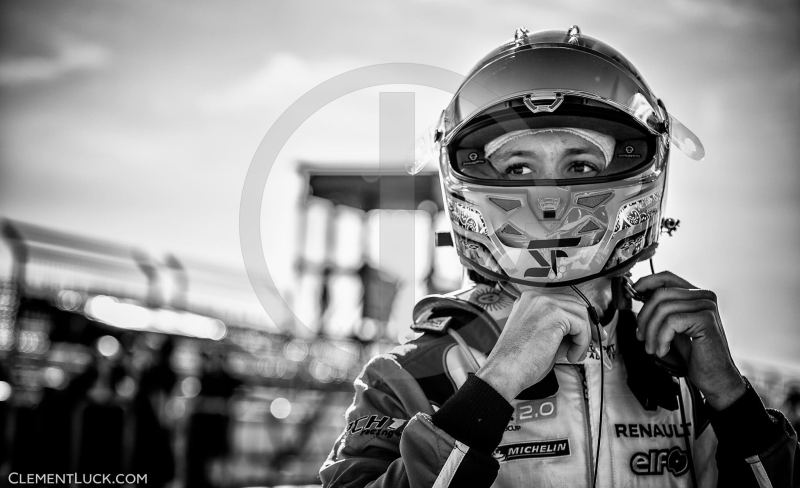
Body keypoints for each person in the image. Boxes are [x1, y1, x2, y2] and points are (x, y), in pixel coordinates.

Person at [319, 26, 798, 487]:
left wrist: (733, 400)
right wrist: (491, 388)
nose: (549, 200)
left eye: (581, 164)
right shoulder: (411, 375)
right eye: (519, 166)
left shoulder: (684, 365)